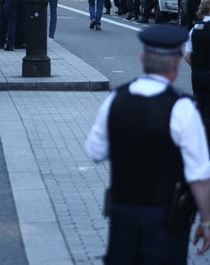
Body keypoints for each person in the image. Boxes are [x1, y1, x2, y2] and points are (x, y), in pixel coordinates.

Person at [86, 24, 210, 263]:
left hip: (122, 213)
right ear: (175, 65)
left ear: (143, 59)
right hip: (166, 217)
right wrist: (206, 220)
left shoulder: (117, 98)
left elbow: (95, 151)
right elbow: (199, 174)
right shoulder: (182, 108)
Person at [184, 0, 210, 129]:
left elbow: (187, 55)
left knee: (199, 107)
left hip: (197, 73)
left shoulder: (195, 28)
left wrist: (196, 67)